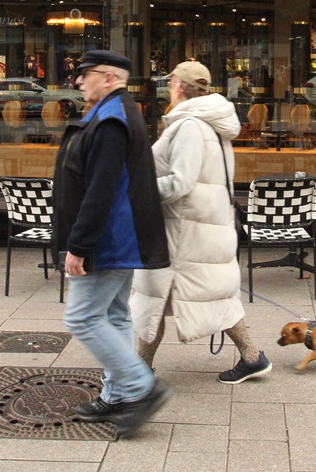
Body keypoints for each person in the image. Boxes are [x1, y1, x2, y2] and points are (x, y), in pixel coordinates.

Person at [52, 49, 172, 439]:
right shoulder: (115, 112)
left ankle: (140, 387)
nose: (79, 80)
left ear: (109, 78)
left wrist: (79, 244)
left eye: (86, 74)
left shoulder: (111, 119)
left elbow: (101, 190)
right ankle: (118, 395)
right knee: (116, 316)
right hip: (118, 239)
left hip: (107, 241)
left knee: (82, 318)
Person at [130, 61, 272, 385]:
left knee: (157, 291)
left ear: (179, 86)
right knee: (207, 295)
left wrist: (137, 190)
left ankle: (138, 370)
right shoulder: (208, 123)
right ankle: (252, 358)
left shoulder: (191, 126)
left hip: (186, 231)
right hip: (204, 227)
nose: (168, 87)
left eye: (171, 82)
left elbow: (181, 183)